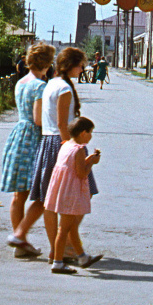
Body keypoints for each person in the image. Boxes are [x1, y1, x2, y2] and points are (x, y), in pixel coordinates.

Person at [29, 47, 98, 265]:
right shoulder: (64, 89)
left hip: (48, 141)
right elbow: (62, 122)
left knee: (51, 200)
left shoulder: (51, 83)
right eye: (80, 65)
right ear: (69, 66)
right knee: (78, 195)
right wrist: (70, 147)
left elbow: (42, 119)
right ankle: (66, 246)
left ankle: (58, 248)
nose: (82, 69)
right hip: (62, 142)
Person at [1, 43, 56, 258]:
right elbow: (38, 118)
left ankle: (20, 243)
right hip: (33, 138)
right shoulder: (40, 86)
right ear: (47, 64)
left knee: (19, 194)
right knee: (44, 192)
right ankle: (20, 236)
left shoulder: (21, 83)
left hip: (18, 135)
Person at [44, 116, 103, 274]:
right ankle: (57, 262)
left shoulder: (67, 145)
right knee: (64, 229)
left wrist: (87, 159)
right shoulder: (79, 149)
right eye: (90, 132)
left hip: (61, 190)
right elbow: (82, 173)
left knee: (71, 227)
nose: (91, 135)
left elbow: (71, 165)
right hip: (71, 193)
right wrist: (91, 163)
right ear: (84, 133)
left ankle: (82, 257)